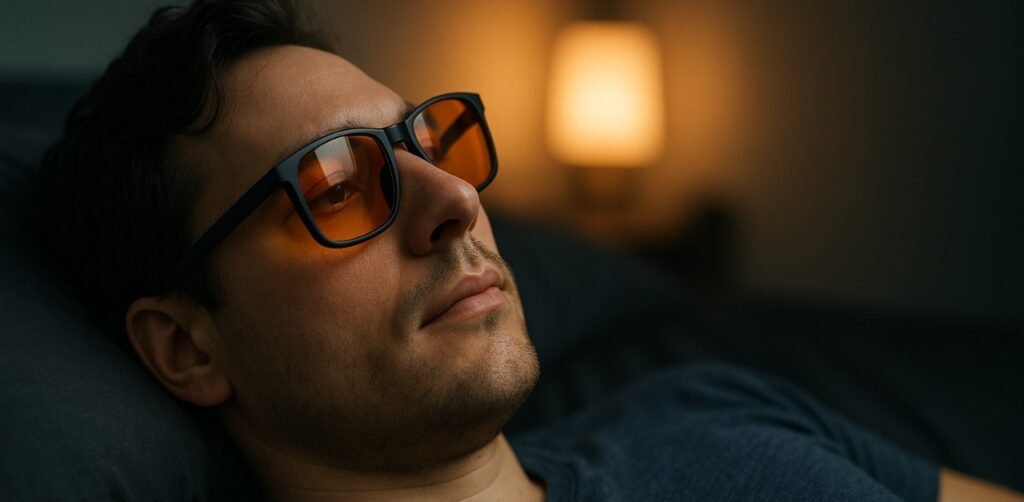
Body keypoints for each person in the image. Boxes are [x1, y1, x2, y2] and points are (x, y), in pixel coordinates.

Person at [39, 1, 1023, 500]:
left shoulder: (707, 407)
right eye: (337, 187)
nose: (456, 201)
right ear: (188, 347)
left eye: (429, 144)